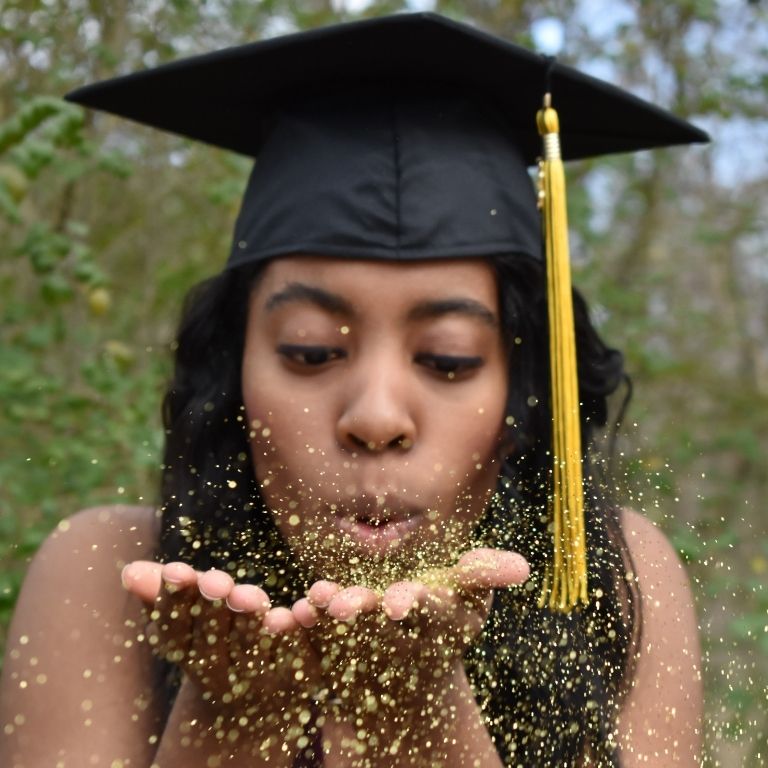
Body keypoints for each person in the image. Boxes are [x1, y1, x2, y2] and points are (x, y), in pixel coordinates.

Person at [0, 13, 705, 768]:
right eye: (309, 351)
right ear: (236, 373)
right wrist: (235, 719)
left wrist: (420, 709)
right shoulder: (110, 576)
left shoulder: (613, 578)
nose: (375, 416)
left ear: (523, 396)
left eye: (447, 358)